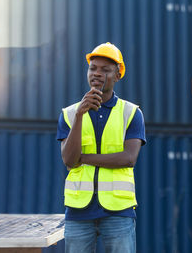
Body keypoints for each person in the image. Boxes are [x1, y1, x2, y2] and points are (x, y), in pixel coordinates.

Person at [56, 42, 146, 253]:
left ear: (117, 76)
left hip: (118, 212)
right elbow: (69, 160)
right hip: (79, 212)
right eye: (93, 68)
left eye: (105, 70)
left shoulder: (131, 113)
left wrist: (84, 158)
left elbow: (128, 158)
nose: (97, 73)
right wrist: (80, 115)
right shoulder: (69, 114)